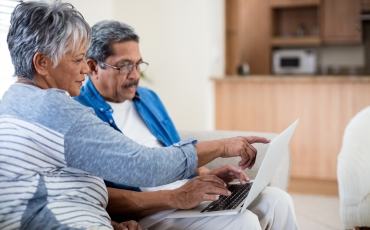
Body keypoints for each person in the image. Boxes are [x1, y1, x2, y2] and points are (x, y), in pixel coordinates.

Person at [0, 2, 269, 230]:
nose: (84, 69)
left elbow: (57, 186)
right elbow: (145, 166)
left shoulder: (16, 101)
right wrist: (223, 146)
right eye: (77, 60)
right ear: (42, 63)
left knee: (274, 202)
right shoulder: (56, 110)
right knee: (243, 221)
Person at [74, 20, 300, 230]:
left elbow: (175, 147)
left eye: (138, 64)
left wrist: (206, 173)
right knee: (245, 221)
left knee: (279, 200)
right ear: (93, 67)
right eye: (124, 66)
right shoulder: (80, 114)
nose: (135, 75)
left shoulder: (148, 97)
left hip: (189, 196)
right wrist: (175, 196)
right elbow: (97, 194)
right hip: (154, 210)